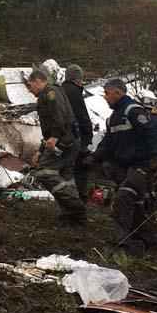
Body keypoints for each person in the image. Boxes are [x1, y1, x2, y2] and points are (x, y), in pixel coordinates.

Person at [88, 78, 157, 255]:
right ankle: (150, 242)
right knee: (138, 205)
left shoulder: (133, 110)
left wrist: (156, 159)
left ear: (118, 92)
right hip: (124, 168)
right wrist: (93, 158)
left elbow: (150, 134)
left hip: (141, 166)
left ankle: (123, 243)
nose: (105, 98)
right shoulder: (112, 118)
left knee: (124, 198)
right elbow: (107, 143)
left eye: (107, 94)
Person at [26, 69, 87, 223]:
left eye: (30, 86)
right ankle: (73, 214)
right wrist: (41, 150)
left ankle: (75, 206)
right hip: (68, 139)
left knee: (44, 172)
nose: (29, 90)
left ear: (38, 81)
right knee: (66, 176)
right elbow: (48, 129)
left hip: (64, 140)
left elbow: (58, 117)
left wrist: (54, 137)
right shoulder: (49, 93)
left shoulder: (50, 93)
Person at [60, 64, 94, 207]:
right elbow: (82, 116)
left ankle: (65, 198)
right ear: (77, 79)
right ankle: (80, 199)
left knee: (65, 169)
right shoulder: (75, 92)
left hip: (61, 136)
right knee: (81, 167)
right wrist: (88, 135)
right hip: (76, 136)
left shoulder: (60, 90)